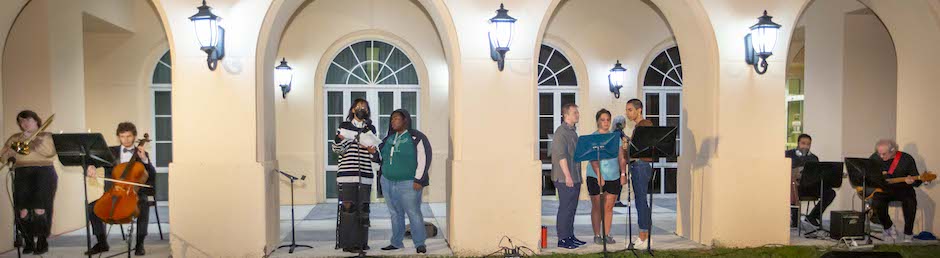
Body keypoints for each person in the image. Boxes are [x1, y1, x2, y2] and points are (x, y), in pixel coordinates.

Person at [83, 122, 156, 256]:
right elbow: (90, 159)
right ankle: (102, 243)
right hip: (113, 193)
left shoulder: (141, 154)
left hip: (135, 194)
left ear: (134, 137)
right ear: (118, 137)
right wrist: (90, 166)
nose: (126, 140)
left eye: (129, 136)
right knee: (91, 208)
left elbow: (151, 175)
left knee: (143, 205)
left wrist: (145, 160)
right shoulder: (110, 152)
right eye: (122, 136)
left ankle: (139, 244)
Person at [373, 109, 431, 254]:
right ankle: (396, 242)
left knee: (413, 213)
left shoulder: (416, 137)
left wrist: (419, 179)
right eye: (392, 119)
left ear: (405, 120)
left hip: (409, 183)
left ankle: (419, 244)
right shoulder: (389, 139)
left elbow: (424, 158)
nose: (393, 121)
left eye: (397, 118)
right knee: (395, 213)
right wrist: (373, 152)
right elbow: (381, 158)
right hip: (387, 182)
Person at [1, 110, 57, 255]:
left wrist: (32, 142)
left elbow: (49, 152)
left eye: (28, 120)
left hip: (43, 172)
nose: (25, 123)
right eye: (21, 121)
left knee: (40, 209)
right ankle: (29, 240)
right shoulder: (15, 138)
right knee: (23, 210)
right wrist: (16, 147)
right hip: (21, 173)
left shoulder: (45, 135)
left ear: (36, 121)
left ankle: (42, 241)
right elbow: (4, 156)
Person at [332, 98, 377, 252]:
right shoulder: (344, 126)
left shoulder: (370, 129)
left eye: (364, 107)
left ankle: (362, 242)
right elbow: (337, 149)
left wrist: (372, 150)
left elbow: (374, 151)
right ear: (352, 110)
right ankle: (348, 244)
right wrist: (353, 140)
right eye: (359, 107)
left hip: (364, 175)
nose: (361, 109)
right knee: (348, 209)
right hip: (346, 175)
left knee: (363, 209)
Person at [585, 109, 627, 245]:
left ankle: (607, 234)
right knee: (597, 206)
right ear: (597, 121)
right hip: (595, 176)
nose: (606, 122)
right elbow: (592, 159)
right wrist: (599, 175)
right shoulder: (593, 137)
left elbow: (621, 157)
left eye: (608, 120)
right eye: (603, 120)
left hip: (613, 176)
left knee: (609, 207)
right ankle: (597, 235)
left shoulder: (615, 138)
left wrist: (623, 173)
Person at [869, 139, 922, 242]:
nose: (881, 156)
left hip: (903, 189)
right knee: (876, 201)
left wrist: (912, 181)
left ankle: (908, 233)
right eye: (879, 153)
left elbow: (918, 181)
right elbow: (869, 175)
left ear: (893, 150)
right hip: (884, 190)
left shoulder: (906, 159)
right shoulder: (875, 158)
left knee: (910, 201)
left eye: (884, 154)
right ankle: (888, 226)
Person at [551, 103, 585, 249]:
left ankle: (570, 236)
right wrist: (568, 176)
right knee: (565, 208)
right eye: (574, 112)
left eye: (577, 112)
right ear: (566, 115)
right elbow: (561, 156)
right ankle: (562, 239)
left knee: (572, 208)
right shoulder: (561, 132)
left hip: (574, 176)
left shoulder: (573, 132)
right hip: (565, 178)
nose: (577, 114)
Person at [623, 99, 654, 249]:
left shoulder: (645, 125)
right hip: (638, 165)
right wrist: (626, 145)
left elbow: (639, 150)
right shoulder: (638, 127)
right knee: (641, 201)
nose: (627, 113)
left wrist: (627, 146)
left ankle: (644, 237)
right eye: (627, 110)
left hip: (641, 166)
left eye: (630, 109)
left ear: (639, 110)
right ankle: (645, 235)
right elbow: (631, 152)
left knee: (641, 201)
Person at [784, 134, 833, 228]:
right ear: (798, 143)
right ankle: (794, 221)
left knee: (830, 192)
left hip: (810, 187)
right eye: (803, 143)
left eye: (808, 144)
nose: (806, 146)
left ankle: (812, 216)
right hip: (795, 187)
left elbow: (818, 175)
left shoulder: (814, 158)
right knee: (792, 188)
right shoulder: (788, 154)